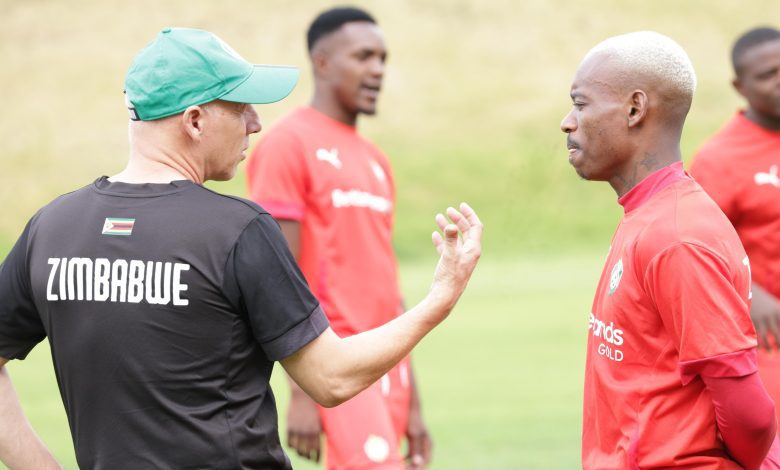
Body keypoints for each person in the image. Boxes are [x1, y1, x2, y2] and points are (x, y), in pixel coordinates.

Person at [0, 27, 482, 469]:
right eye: (240, 106)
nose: (254, 123)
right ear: (193, 121)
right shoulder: (237, 230)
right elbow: (331, 379)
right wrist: (440, 298)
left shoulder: (51, 228)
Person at [561, 31, 777, 469]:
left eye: (581, 104)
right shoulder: (648, 215)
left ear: (635, 109)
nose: (568, 121)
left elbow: (749, 415)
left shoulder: (677, 234)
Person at [245, 7, 431, 469]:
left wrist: (414, 404)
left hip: (387, 363)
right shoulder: (287, 144)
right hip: (336, 363)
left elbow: (386, 284)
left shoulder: (375, 160)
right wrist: (302, 392)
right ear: (323, 62)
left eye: (383, 58)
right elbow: (276, 279)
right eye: (364, 56)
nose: (378, 70)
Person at [689, 26, 780, 426]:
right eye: (767, 75)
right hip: (766, 336)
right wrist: (750, 292)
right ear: (739, 86)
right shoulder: (718, 158)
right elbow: (695, 248)